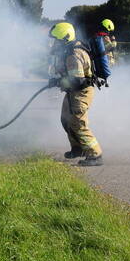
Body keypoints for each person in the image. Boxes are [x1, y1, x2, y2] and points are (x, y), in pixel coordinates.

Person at [47, 22, 102, 166]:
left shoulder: (74, 55)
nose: (54, 43)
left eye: (56, 40)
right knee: (66, 119)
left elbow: (77, 81)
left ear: (65, 38)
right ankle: (78, 148)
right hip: (73, 92)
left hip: (81, 92)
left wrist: (59, 83)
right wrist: (58, 79)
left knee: (78, 123)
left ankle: (95, 155)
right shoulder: (68, 51)